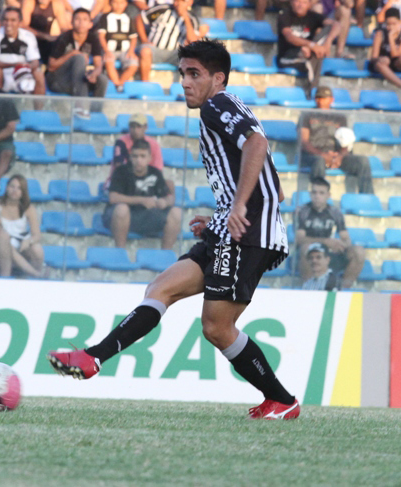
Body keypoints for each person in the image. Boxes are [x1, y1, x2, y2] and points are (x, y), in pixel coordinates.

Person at [47, 39, 298, 420]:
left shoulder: (219, 105)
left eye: (194, 74)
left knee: (217, 327)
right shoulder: (225, 110)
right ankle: (93, 357)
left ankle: (282, 399)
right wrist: (222, 212)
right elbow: (276, 187)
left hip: (245, 234)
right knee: (160, 288)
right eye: (182, 74)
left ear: (219, 78)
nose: (185, 82)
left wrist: (240, 207)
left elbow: (257, 144)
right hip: (229, 229)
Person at [102, 139, 181, 248]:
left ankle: (165, 255)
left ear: (150, 158)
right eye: (135, 156)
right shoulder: (121, 172)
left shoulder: (155, 173)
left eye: (142, 156)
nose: (138, 160)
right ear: (130, 157)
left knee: (176, 212)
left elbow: (170, 198)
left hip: (147, 216)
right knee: (122, 209)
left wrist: (165, 202)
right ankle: (120, 252)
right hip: (123, 217)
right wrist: (142, 200)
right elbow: (113, 198)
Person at [299, 86, 372, 193]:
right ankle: (318, 199)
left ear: (331, 99)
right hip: (313, 156)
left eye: (324, 98)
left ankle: (367, 199)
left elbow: (346, 143)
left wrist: (339, 157)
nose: (321, 101)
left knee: (362, 161)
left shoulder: (339, 117)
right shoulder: (306, 115)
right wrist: (322, 155)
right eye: (318, 98)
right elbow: (304, 142)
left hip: (336, 156)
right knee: (319, 161)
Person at [296, 177, 365, 288]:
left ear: (328, 195)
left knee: (359, 252)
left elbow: (345, 237)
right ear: (310, 194)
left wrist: (341, 244)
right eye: (314, 192)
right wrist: (326, 241)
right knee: (306, 247)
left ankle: (342, 289)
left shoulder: (335, 212)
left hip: (328, 254)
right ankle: (309, 289)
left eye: (321, 193)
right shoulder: (303, 211)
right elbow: (299, 239)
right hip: (309, 254)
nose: (317, 196)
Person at [136, 0, 204, 82]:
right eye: (176, 0)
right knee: (145, 51)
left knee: (193, 58)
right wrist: (144, 39)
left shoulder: (193, 19)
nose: (178, 4)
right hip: (155, 50)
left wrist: (186, 18)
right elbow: (140, 18)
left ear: (190, 2)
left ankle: (185, 88)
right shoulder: (163, 9)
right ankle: (145, 84)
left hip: (175, 53)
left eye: (182, 1)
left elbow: (193, 40)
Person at [277, 0, 340, 90]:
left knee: (328, 30)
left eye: (304, 2)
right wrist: (311, 45)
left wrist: (327, 43)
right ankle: (312, 90)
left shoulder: (313, 16)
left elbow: (337, 25)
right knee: (314, 57)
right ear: (292, 2)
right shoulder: (284, 15)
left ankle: (313, 90)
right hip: (288, 57)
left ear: (309, 4)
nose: (300, 5)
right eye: (298, 1)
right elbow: (289, 37)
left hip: (308, 53)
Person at [46, 7, 106, 108]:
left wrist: (94, 74)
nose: (81, 22)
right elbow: (51, 66)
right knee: (79, 58)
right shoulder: (64, 38)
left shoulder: (93, 39)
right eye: (77, 19)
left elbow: (98, 65)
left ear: (90, 24)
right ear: (72, 23)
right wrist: (71, 53)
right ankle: (81, 108)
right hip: (59, 81)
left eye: (85, 20)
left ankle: (95, 114)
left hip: (78, 82)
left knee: (102, 79)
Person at [0, 6, 45, 95]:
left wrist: (23, 68)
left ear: (20, 22)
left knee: (39, 74)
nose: (8, 23)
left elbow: (35, 62)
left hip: (23, 72)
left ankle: (39, 109)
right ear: (1, 22)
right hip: (3, 72)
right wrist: (14, 65)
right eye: (6, 20)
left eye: (13, 20)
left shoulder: (28, 36)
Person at [0, 174, 46, 277]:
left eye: (19, 188)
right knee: (7, 246)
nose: (15, 190)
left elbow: (37, 235)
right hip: (3, 244)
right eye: (12, 186)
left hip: (21, 243)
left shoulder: (28, 208)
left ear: (23, 192)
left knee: (37, 249)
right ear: (6, 187)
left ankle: (31, 278)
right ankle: (36, 274)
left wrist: (29, 241)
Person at [21, 0, 71, 65]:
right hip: (28, 39)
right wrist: (45, 36)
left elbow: (64, 27)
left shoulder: (57, 3)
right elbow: (23, 26)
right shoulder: (29, 0)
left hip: (46, 42)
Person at [98, 0, 138, 92]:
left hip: (125, 51)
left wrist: (131, 51)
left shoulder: (128, 18)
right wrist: (106, 50)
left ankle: (120, 83)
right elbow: (101, 36)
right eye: (115, 2)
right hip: (110, 50)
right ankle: (116, 83)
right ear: (110, 3)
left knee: (133, 64)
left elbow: (133, 38)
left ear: (125, 4)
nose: (118, 5)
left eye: (121, 2)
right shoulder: (105, 17)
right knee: (109, 62)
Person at [109, 113, 164, 179]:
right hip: (122, 180)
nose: (135, 130)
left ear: (145, 127)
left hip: (145, 179)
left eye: (139, 126)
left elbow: (158, 169)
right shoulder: (121, 143)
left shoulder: (154, 145)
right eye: (132, 127)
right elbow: (119, 169)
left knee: (169, 184)